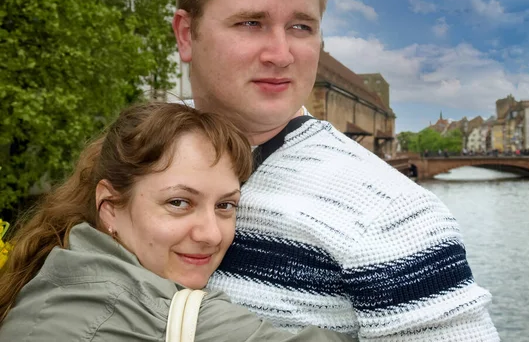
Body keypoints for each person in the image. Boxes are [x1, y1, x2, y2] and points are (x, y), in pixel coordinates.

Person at [172, 0, 499, 341]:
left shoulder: (391, 216)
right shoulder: (139, 154)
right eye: (251, 23)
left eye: (301, 27)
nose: (281, 53)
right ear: (186, 35)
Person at [0, 102, 352, 341]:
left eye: (226, 205)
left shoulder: (57, 274)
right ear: (110, 207)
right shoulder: (163, 317)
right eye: (179, 202)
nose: (211, 234)